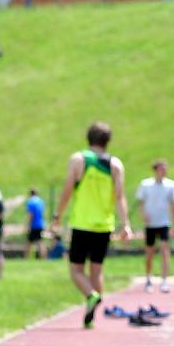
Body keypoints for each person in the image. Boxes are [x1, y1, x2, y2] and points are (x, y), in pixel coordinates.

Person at [52, 122, 132, 329]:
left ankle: (91, 295)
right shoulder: (115, 164)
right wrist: (126, 225)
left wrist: (57, 215)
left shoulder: (79, 160)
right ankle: (92, 316)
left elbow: (67, 190)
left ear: (88, 139)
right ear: (108, 141)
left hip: (82, 223)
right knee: (97, 271)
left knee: (76, 270)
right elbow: (120, 197)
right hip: (104, 225)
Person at [136, 159, 174, 293]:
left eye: (165, 169)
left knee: (165, 251)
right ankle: (148, 279)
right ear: (155, 170)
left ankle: (164, 280)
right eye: (161, 169)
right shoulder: (145, 184)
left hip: (164, 223)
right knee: (149, 253)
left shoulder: (171, 185)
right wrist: (143, 215)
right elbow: (141, 203)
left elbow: (173, 206)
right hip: (150, 224)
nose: (164, 171)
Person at [25, 189, 46, 259]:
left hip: (33, 225)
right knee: (40, 241)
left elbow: (31, 214)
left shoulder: (30, 202)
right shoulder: (41, 201)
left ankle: (26, 258)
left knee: (29, 242)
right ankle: (43, 257)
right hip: (41, 224)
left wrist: (28, 225)